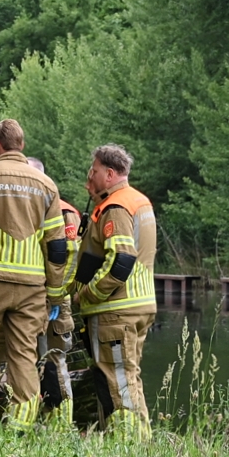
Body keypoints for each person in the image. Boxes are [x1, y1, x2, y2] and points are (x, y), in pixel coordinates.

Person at [0, 119, 77, 432]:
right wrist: (54, 292)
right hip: (31, 287)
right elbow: (57, 247)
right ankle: (20, 429)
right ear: (22, 145)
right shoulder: (47, 185)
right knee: (24, 357)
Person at [74, 143, 157, 434]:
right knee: (129, 377)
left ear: (109, 174)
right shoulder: (139, 201)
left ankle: (128, 446)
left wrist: (86, 295)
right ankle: (139, 441)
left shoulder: (116, 206)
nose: (89, 178)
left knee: (117, 381)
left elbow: (121, 260)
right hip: (140, 306)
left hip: (115, 311)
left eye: (94, 171)